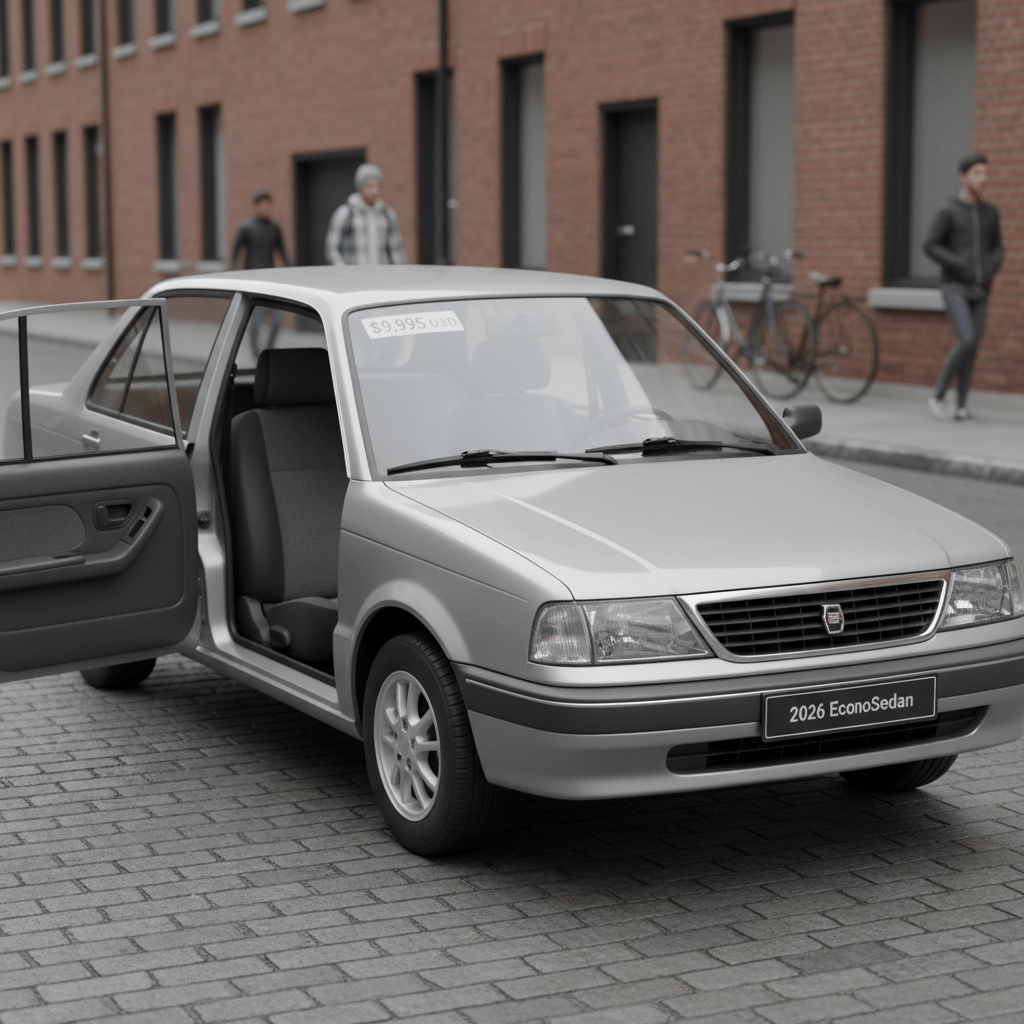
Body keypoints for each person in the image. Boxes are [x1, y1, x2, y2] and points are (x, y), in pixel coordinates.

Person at [924, 154, 1002, 421]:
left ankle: (961, 406)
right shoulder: (948, 210)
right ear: (963, 176)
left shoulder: (990, 213)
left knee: (973, 346)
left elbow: (997, 247)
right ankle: (937, 396)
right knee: (967, 339)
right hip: (954, 286)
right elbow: (930, 244)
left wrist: (992, 267)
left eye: (986, 173)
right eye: (978, 173)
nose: (984, 179)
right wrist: (957, 262)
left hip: (981, 289)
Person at [232, 192, 292, 355]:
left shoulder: (274, 228)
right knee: (256, 320)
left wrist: (291, 271)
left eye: (269, 205)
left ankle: (270, 349)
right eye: (263, 205)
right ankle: (256, 352)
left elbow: (282, 251)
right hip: (251, 282)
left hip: (270, 281)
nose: (266, 208)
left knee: (278, 317)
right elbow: (235, 253)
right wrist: (234, 279)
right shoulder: (246, 228)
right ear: (256, 206)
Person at [325, 163, 407, 266]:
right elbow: (332, 248)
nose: (375, 191)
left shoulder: (388, 215)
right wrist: (343, 271)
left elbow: (396, 250)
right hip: (354, 278)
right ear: (360, 187)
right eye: (370, 186)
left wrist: (402, 273)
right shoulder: (344, 214)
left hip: (381, 277)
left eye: (378, 186)